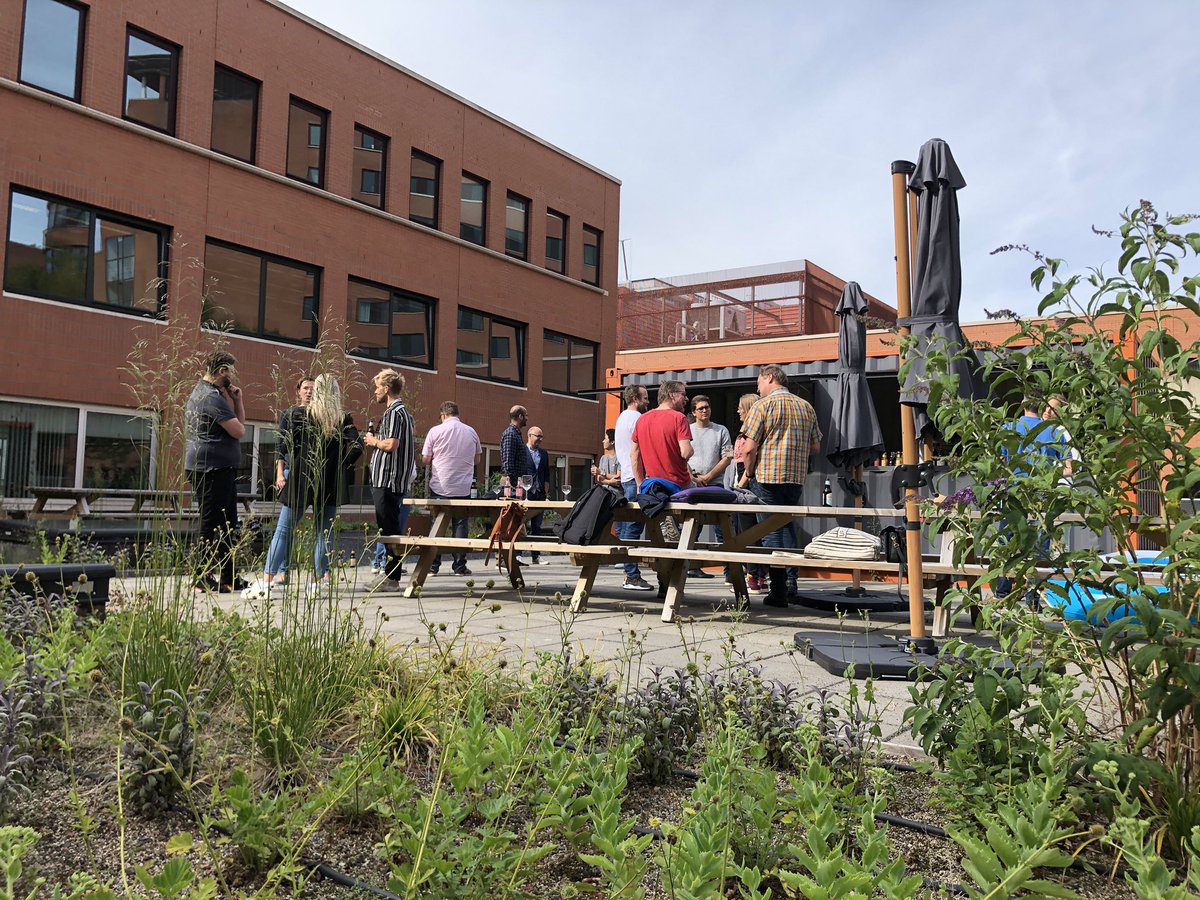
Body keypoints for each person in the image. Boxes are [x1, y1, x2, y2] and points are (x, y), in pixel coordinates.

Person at [255, 375, 362, 593]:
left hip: (301, 479)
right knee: (323, 533)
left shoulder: (298, 414)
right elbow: (358, 445)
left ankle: (266, 580)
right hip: (329, 482)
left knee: (283, 530)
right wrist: (340, 464)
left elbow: (283, 445)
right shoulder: (342, 417)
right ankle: (318, 581)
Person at [741, 365, 822, 608]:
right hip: (795, 478)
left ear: (769, 378)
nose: (758, 389)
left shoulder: (762, 406)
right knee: (787, 528)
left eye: (758, 383)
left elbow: (748, 449)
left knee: (770, 532)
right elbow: (816, 447)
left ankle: (778, 591)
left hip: (767, 477)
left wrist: (749, 473)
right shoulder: (806, 406)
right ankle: (790, 582)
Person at [185, 350, 247, 593]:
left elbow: (239, 425)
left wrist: (237, 401)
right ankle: (200, 578)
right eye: (231, 371)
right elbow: (239, 432)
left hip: (220, 468)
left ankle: (229, 577)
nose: (233, 376)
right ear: (222, 371)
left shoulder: (211, 394)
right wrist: (232, 402)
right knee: (210, 523)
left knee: (228, 523)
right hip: (210, 469)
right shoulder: (210, 396)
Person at [994, 397, 1068, 601]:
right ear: (1041, 406)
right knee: (1040, 546)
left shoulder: (1008, 428)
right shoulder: (1053, 432)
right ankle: (1033, 596)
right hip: (1042, 493)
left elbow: (1000, 463)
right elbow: (1069, 467)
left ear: (1022, 405)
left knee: (1007, 542)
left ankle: (1002, 593)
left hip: (1013, 493)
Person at [257, 377, 314, 591]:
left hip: (313, 474)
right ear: (298, 390)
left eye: (313, 389)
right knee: (286, 525)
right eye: (306, 388)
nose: (309, 392)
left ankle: (282, 570)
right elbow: (281, 446)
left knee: (289, 526)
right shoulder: (289, 414)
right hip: (293, 473)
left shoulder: (319, 415)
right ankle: (281, 571)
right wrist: (280, 474)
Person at [364, 369, 417, 592]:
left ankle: (391, 578)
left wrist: (372, 440)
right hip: (389, 479)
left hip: (387, 479)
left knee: (389, 530)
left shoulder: (395, 412)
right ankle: (390, 576)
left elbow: (392, 444)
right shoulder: (401, 413)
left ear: (386, 389)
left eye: (377, 387)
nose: (375, 391)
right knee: (389, 529)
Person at [422, 401, 481, 576]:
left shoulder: (435, 431)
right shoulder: (471, 432)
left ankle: (433, 566)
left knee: (437, 523)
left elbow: (426, 459)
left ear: (443, 415)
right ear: (457, 413)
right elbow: (477, 460)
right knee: (460, 524)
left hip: (440, 485)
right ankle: (459, 566)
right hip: (463, 487)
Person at [686, 394, 732, 579]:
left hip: (716, 484)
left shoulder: (721, 430)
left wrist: (709, 476)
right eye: (700, 408)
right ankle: (691, 566)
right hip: (693, 484)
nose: (704, 410)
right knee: (692, 527)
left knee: (723, 528)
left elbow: (727, 457)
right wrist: (694, 477)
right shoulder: (687, 430)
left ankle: (730, 571)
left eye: (707, 407)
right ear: (693, 412)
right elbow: (681, 456)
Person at [614, 384, 654, 591]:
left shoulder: (621, 418)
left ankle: (628, 573)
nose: (648, 401)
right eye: (645, 398)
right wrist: (641, 481)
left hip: (627, 477)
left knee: (629, 526)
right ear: (636, 399)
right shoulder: (638, 418)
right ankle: (631, 576)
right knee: (634, 526)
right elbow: (641, 451)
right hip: (636, 478)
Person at [727, 392, 766, 593]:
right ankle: (759, 576)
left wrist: (740, 485)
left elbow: (749, 460)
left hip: (746, 483)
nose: (738, 411)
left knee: (746, 531)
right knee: (751, 530)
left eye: (741, 408)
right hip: (745, 480)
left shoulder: (748, 435)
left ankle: (753, 577)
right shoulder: (748, 432)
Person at [522, 426, 552, 565]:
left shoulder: (544, 453)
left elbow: (546, 474)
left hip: (539, 493)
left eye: (541, 437)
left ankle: (536, 556)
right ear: (529, 435)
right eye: (537, 436)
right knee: (521, 525)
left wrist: (545, 492)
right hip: (525, 493)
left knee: (537, 526)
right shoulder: (522, 451)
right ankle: (518, 555)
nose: (540, 439)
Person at [499, 405, 532, 493]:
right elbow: (508, 464)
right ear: (520, 416)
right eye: (526, 415)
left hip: (517, 484)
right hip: (511, 485)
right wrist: (514, 485)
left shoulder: (516, 434)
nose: (527, 418)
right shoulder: (511, 434)